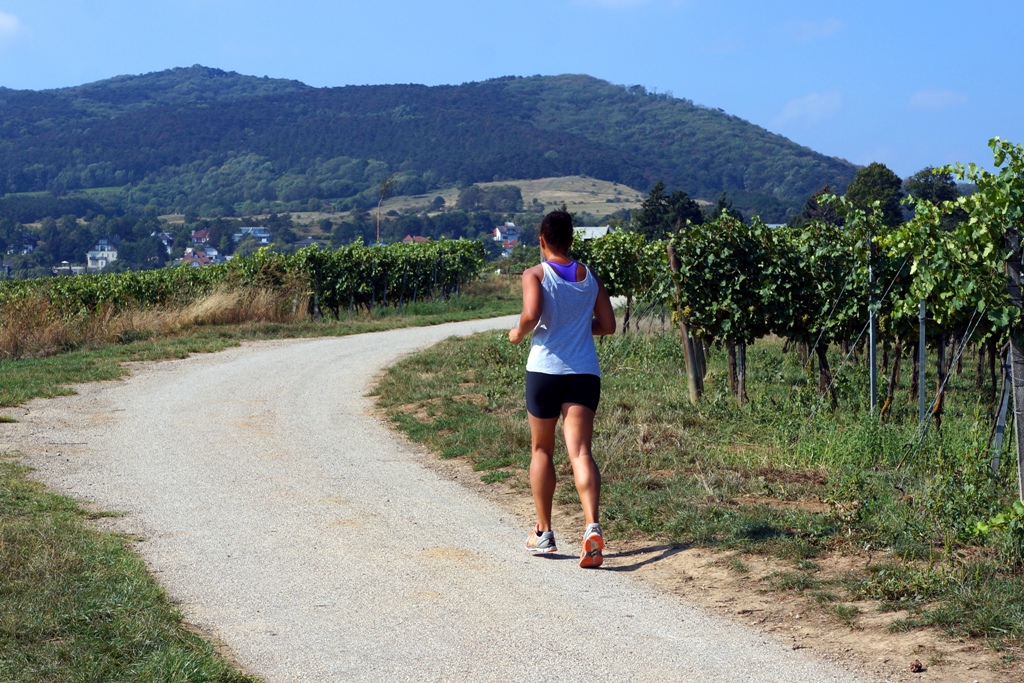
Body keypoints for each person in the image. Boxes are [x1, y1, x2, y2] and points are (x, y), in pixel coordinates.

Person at [508, 210, 616, 568]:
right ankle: (592, 527)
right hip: (584, 372)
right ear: (572, 240)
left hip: (545, 371)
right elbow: (609, 325)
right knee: (580, 452)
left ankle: (544, 532)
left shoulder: (535, 274)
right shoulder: (589, 277)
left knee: (542, 449)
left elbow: (532, 313)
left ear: (542, 240)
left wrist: (518, 333)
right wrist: (580, 331)